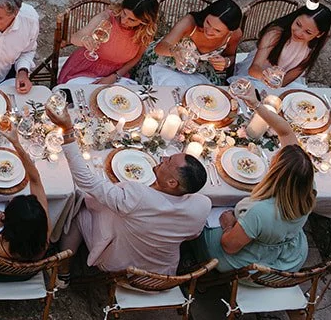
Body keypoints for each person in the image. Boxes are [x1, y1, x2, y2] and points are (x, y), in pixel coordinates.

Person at [47, 101, 209, 275]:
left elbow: (85, 180)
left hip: (120, 266)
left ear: (172, 183)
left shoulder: (137, 196)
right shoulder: (203, 205)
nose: (163, 158)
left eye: (168, 162)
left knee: (77, 208)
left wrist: (68, 129)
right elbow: (193, 235)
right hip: (162, 270)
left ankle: (63, 271)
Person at [195, 143, 315, 272]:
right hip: (290, 252)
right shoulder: (309, 191)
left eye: (273, 161)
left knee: (200, 219)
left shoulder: (260, 212)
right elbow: (287, 136)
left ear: (276, 173)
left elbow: (229, 247)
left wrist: (228, 225)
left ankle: (196, 254)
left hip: (253, 262)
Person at [0, 127, 52, 263]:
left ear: (9, 223)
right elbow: (35, 179)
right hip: (25, 274)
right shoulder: (44, 239)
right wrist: (16, 143)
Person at [58, 0, 159, 86]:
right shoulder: (107, 18)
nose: (124, 21)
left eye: (131, 20)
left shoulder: (145, 32)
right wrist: (84, 40)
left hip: (116, 74)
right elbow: (75, 38)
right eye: (124, 13)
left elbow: (137, 57)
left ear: (144, 21)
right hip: (86, 69)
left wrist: (116, 76)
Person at [147, 0, 243, 89]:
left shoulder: (234, 34)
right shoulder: (189, 23)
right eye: (208, 23)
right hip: (167, 63)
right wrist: (175, 51)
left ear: (229, 31)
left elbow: (231, 56)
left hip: (200, 71)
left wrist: (226, 62)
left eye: (217, 30)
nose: (209, 31)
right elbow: (160, 47)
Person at [244, 6, 331, 90]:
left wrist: (279, 85)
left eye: (308, 32)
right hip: (258, 75)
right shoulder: (275, 34)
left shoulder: (314, 45)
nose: (298, 33)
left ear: (319, 34)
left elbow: (297, 70)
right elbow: (254, 68)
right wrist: (267, 79)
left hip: (282, 81)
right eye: (298, 24)